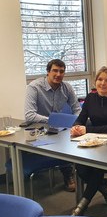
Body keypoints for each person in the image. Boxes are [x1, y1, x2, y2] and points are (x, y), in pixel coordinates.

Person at [70, 66, 107, 216]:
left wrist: (88, 130)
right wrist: (76, 127)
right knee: (81, 168)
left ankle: (82, 205)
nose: (103, 83)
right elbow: (80, 119)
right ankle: (105, 191)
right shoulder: (90, 98)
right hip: (92, 143)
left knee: (97, 168)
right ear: (95, 81)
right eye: (100, 79)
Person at [24, 59, 81, 192]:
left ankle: (72, 174)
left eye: (61, 71)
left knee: (70, 138)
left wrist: (79, 122)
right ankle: (68, 174)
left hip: (58, 128)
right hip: (38, 129)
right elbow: (29, 115)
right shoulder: (34, 87)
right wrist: (54, 120)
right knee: (62, 140)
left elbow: (77, 109)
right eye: (55, 70)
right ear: (48, 72)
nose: (58, 74)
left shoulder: (66, 87)